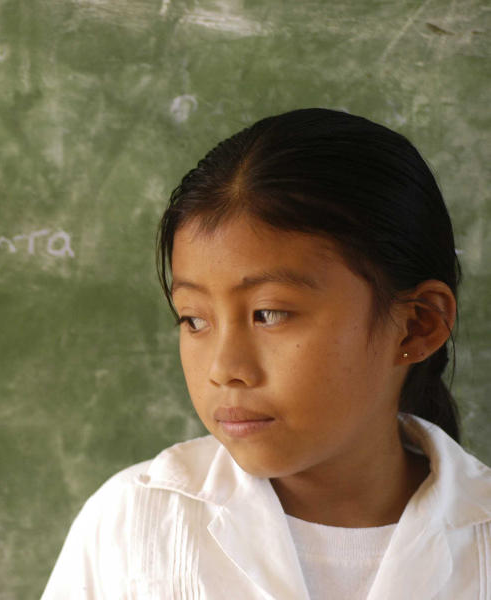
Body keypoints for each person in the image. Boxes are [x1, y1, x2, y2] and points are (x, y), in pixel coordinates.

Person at [41, 108, 491, 599]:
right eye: (194, 320)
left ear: (417, 325)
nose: (224, 370)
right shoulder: (132, 527)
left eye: (270, 314)